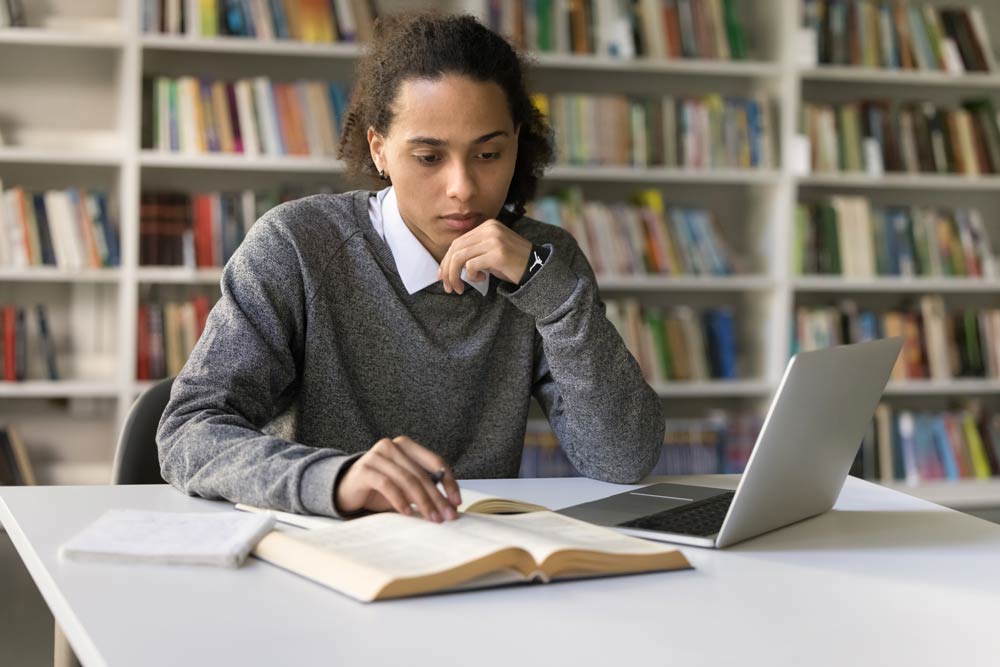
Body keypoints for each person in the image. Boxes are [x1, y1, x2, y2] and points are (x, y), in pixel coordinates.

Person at [156, 11, 664, 523]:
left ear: (516, 144)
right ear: (380, 150)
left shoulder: (543, 263)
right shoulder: (295, 246)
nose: (462, 187)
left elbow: (623, 459)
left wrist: (549, 293)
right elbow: (188, 431)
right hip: (328, 550)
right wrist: (334, 479)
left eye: (488, 154)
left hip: (477, 555)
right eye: (428, 157)